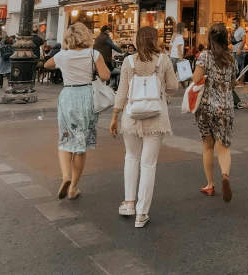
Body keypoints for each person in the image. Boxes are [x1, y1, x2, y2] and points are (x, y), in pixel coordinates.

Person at [110, 25, 178, 228]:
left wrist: (115, 115)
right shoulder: (163, 60)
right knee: (148, 164)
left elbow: (121, 91)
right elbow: (173, 86)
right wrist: (162, 91)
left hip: (131, 116)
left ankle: (129, 202)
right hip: (156, 117)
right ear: (155, 40)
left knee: (131, 157)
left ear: (137, 40)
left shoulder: (129, 61)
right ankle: (142, 213)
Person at [44, 22, 110, 201]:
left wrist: (63, 62)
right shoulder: (93, 54)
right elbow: (105, 76)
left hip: (68, 96)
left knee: (65, 139)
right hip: (87, 96)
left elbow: (47, 65)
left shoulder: (62, 55)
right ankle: (73, 187)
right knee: (80, 147)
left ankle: (65, 175)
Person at [192, 23, 237, 202]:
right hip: (225, 107)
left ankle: (210, 185)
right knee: (224, 147)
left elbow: (196, 79)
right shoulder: (231, 59)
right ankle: (225, 175)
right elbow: (233, 84)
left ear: (210, 38)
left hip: (206, 107)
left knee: (207, 145)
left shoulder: (204, 56)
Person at [230, 18, 247, 83]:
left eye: (234, 22)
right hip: (234, 50)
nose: (233, 24)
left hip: (239, 51)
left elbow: (244, 40)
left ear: (238, 23)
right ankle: (236, 81)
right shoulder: (234, 30)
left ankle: (241, 82)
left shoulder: (241, 30)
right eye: (232, 22)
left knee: (240, 66)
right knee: (234, 66)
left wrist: (240, 49)